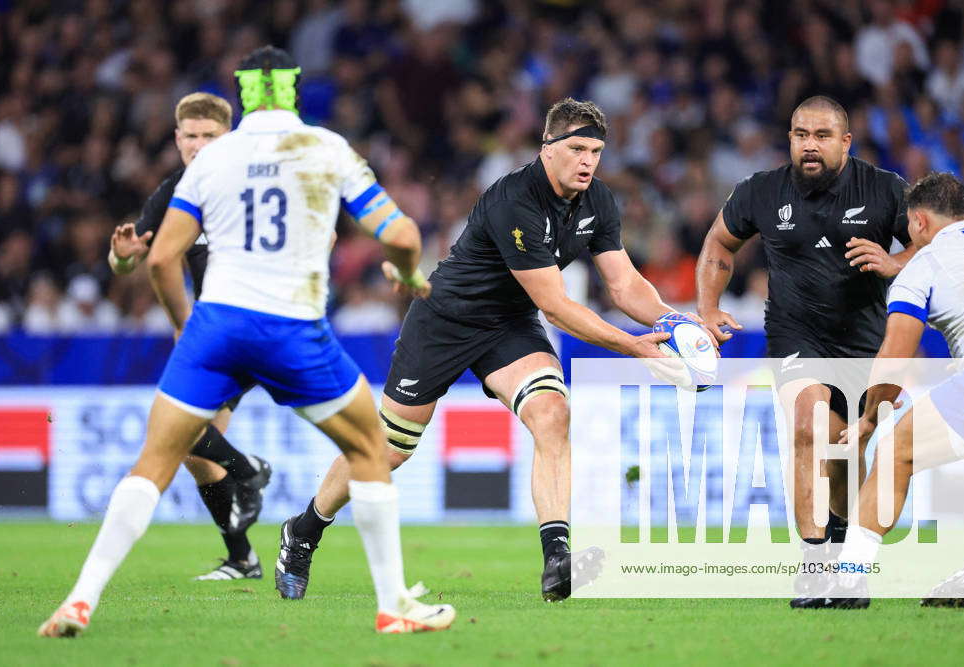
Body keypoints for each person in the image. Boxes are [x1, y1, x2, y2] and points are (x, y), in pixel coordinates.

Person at [38, 45, 454, 637]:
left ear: (241, 94)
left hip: (217, 327)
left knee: (154, 462)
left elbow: (161, 258)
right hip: (292, 328)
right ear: (293, 89)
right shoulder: (327, 147)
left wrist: (187, 325)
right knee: (369, 448)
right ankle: (393, 607)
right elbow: (403, 233)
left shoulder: (212, 160)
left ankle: (79, 600)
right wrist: (409, 274)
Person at [279, 97, 692, 603]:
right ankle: (303, 530)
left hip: (508, 326)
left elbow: (625, 284)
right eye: (578, 147)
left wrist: (675, 322)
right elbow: (555, 306)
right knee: (389, 449)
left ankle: (558, 558)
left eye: (597, 151)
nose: (588, 160)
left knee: (552, 413)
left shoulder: (598, 201)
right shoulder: (514, 199)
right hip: (445, 320)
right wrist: (633, 346)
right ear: (548, 147)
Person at [695, 95, 916, 602]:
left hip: (864, 341)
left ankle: (846, 554)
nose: (809, 146)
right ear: (789, 138)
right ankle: (814, 564)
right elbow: (718, 244)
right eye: (800, 135)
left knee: (847, 447)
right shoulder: (762, 191)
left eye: (820, 136)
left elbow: (934, 245)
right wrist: (708, 309)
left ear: (845, 141)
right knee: (808, 426)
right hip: (796, 336)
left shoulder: (884, 190)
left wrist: (894, 262)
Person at [107, 92, 272, 582]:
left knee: (178, 432)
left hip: (256, 324)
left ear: (230, 138)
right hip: (217, 332)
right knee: (195, 452)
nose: (199, 146)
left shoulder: (253, 184)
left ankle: (248, 471)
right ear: (177, 140)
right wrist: (121, 255)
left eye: (210, 136)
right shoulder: (175, 192)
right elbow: (131, 261)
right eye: (191, 137)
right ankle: (242, 556)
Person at [793, 172, 964, 608]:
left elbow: (895, 354)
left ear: (919, 223)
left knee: (895, 452)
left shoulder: (924, 263)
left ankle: (850, 580)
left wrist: (870, 419)